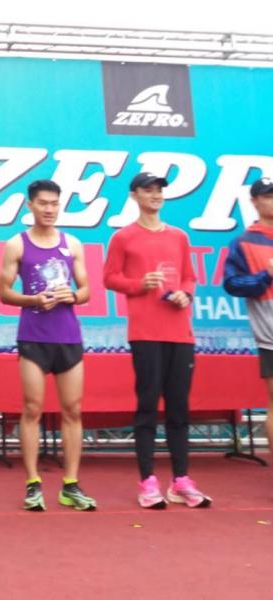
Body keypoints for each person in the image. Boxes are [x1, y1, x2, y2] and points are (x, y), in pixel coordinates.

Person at [104, 171, 211, 509]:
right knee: (148, 405)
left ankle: (181, 480)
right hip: (145, 333)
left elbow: (189, 277)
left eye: (159, 190)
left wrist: (185, 294)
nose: (156, 195)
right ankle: (147, 481)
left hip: (180, 332)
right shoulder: (123, 237)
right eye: (148, 190)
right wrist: (139, 284)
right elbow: (109, 278)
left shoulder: (178, 236)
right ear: (134, 195)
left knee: (179, 408)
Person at [0, 179, 97, 512]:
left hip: (68, 337)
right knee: (31, 410)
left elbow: (86, 290)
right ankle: (32, 483)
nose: (49, 209)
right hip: (33, 337)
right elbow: (4, 293)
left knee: (73, 410)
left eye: (54, 204)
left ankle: (71, 484)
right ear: (30, 205)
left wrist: (74, 296)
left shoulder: (73, 244)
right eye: (43, 203)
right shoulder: (17, 244)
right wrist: (33, 299)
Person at [223, 177, 273, 461]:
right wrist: (266, 276)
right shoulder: (243, 242)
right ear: (254, 201)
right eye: (268, 196)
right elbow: (232, 284)